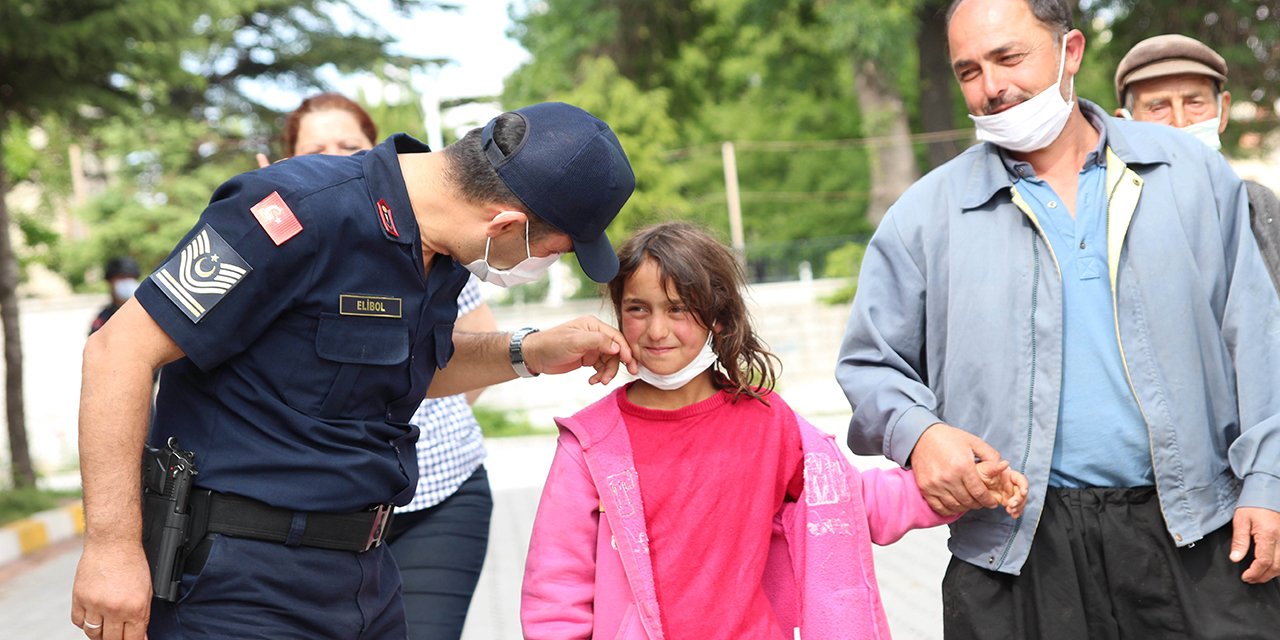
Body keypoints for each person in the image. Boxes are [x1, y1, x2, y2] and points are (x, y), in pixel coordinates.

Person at [71, 101, 637, 640]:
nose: (545, 266)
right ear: (506, 224)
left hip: (362, 576)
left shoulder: (441, 254)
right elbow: (117, 353)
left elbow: (411, 368)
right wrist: (112, 549)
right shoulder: (290, 212)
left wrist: (528, 352)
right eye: (556, 252)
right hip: (239, 583)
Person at [836, 0, 1280, 637]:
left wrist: (1269, 482)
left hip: (1199, 531)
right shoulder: (925, 216)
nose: (992, 87)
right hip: (1012, 549)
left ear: (1070, 52)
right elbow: (869, 363)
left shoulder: (1191, 177)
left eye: (1009, 57)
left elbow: (1262, 343)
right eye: (969, 70)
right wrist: (919, 433)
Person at [521, 221, 1028, 639]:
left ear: (718, 318)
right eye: (639, 308)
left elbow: (849, 502)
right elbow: (556, 594)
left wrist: (961, 486)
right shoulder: (590, 444)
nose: (657, 330)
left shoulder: (767, 422)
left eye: (679, 309)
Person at [264, 92, 498, 640]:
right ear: (283, 162)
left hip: (439, 495)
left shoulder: (429, 235)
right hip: (317, 517)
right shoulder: (270, 241)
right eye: (317, 147)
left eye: (351, 145)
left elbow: (478, 338)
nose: (337, 156)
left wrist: (401, 410)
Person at [1114, 33, 1280, 295]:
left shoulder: (1258, 204)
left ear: (1223, 112)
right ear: (1124, 124)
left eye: (1195, 103)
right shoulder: (1110, 220)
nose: (1180, 122)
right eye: (1158, 107)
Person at [89, 256, 141, 334]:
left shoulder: (146, 313)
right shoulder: (104, 318)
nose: (126, 282)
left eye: (130, 277)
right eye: (121, 277)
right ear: (110, 282)